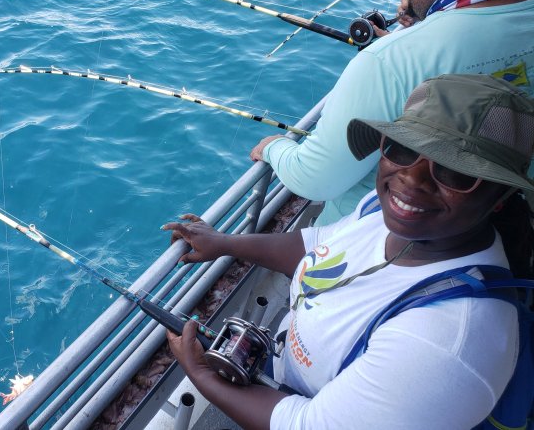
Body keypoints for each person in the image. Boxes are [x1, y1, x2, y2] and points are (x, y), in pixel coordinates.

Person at [164, 74, 534, 430]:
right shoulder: (389, 213)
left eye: (455, 172)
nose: (412, 179)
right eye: (403, 149)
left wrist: (200, 373)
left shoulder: (444, 342)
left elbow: (308, 424)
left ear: (499, 196)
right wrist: (225, 243)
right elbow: (319, 245)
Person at [250, 0, 534, 226]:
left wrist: (274, 148)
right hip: (502, 221)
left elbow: (315, 180)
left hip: (382, 233)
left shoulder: (390, 60)